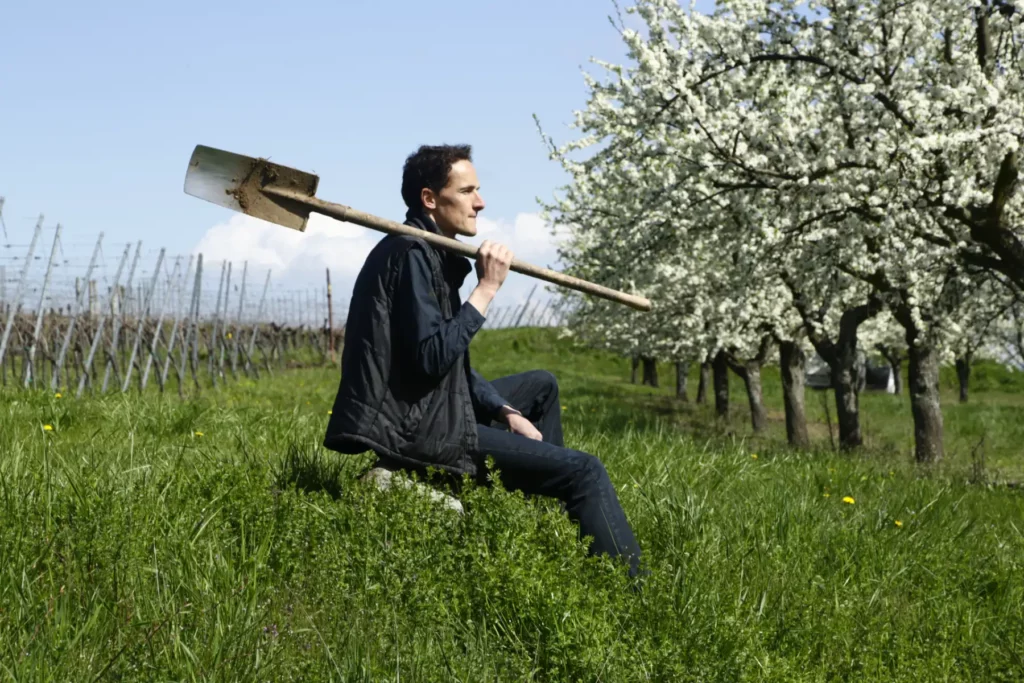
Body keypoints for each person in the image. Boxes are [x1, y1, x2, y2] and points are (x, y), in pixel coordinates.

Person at [324, 144, 643, 578]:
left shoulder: (430, 254)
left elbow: (453, 367)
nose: (481, 202)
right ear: (430, 199)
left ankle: (530, 515)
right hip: (414, 427)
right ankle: (631, 591)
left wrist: (504, 410)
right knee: (585, 471)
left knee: (540, 387)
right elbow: (431, 360)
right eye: (468, 190)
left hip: (431, 408)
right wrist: (486, 290)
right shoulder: (409, 255)